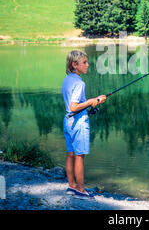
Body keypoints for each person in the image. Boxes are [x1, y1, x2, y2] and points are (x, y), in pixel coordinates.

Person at [62, 50, 106, 199]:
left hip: (68, 121)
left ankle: (72, 185)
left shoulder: (68, 79)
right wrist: (92, 101)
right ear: (75, 65)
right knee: (80, 156)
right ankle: (80, 190)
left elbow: (71, 107)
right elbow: (75, 106)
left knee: (71, 154)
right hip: (78, 123)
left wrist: (95, 101)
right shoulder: (79, 83)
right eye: (84, 63)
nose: (88, 65)